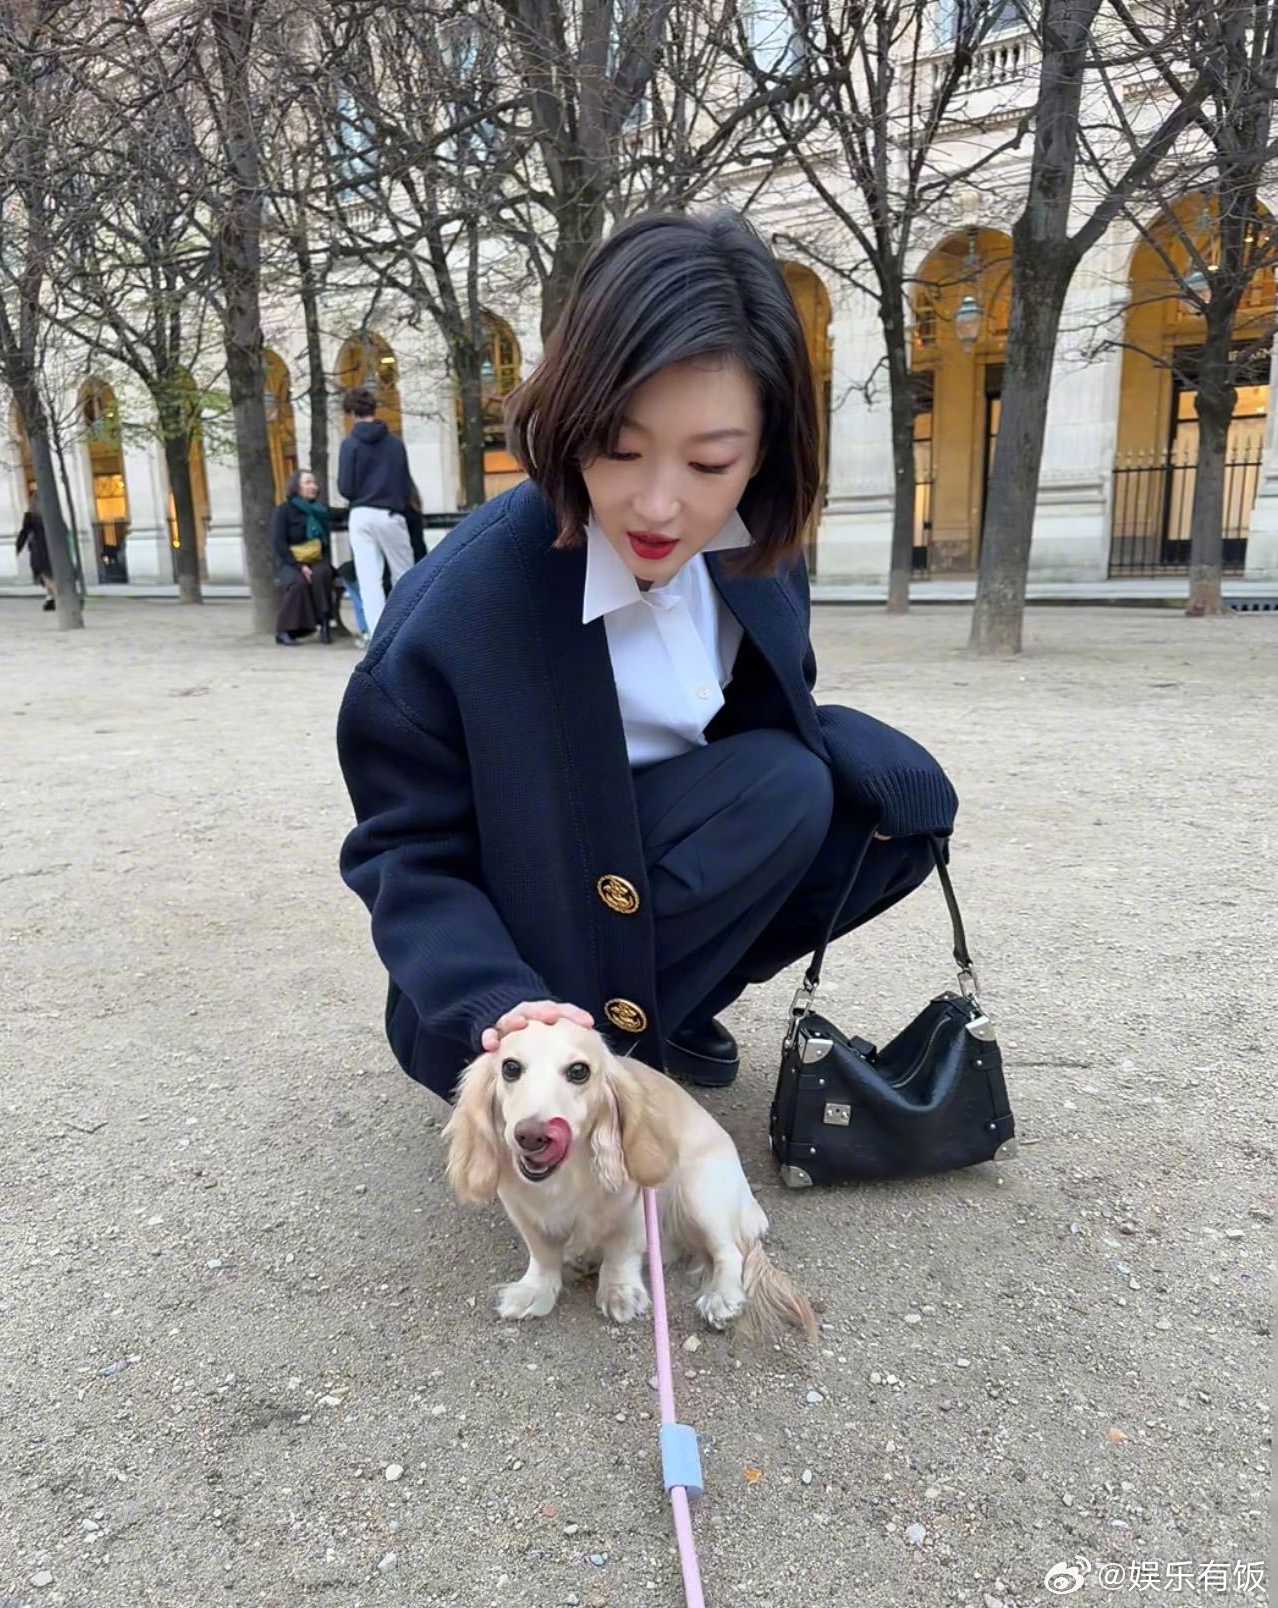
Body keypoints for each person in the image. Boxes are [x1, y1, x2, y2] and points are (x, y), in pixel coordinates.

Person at [337, 211, 958, 1108]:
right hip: (502, 997)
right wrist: (499, 1005)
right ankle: (589, 1042)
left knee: (856, 810)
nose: (660, 505)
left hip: (644, 893)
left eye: (710, 464)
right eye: (621, 449)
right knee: (781, 785)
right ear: (568, 417)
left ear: (762, 456)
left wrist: (851, 754)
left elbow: (746, 754)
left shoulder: (760, 558)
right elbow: (405, 852)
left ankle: (660, 1012)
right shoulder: (457, 613)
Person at [338, 387, 414, 639]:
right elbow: (405, 484)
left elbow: (346, 487)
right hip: (391, 513)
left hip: (361, 514)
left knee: (369, 580)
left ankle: (379, 636)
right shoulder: (395, 444)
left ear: (350, 412)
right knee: (404, 574)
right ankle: (410, 629)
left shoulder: (350, 445)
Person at [271, 470, 335, 646]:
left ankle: (324, 624)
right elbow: (279, 542)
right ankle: (285, 630)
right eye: (308, 482)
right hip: (290, 560)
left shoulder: (319, 511)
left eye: (314, 483)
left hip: (317, 558)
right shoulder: (284, 510)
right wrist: (300, 566)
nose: (313, 486)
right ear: (296, 486)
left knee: (322, 574)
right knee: (298, 582)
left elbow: (325, 542)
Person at [16, 505, 55, 611]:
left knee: (44, 574)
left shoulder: (31, 516)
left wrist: (18, 547)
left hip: (39, 549)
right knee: (48, 574)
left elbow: (24, 532)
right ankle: (51, 596)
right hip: (52, 547)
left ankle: (55, 595)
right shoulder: (50, 512)